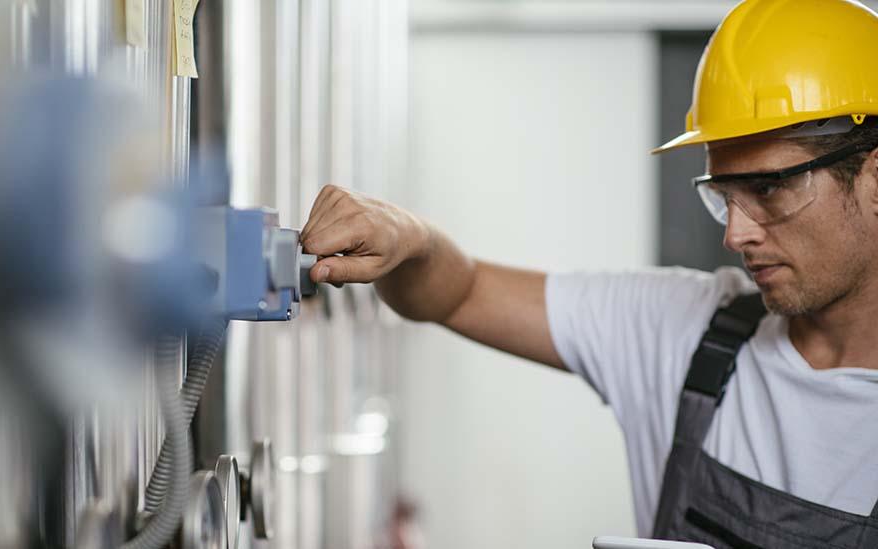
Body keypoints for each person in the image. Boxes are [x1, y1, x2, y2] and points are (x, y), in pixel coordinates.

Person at [299, 0, 878, 547]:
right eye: (724, 195)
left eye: (770, 188)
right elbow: (459, 293)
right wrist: (408, 236)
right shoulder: (689, 331)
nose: (735, 235)